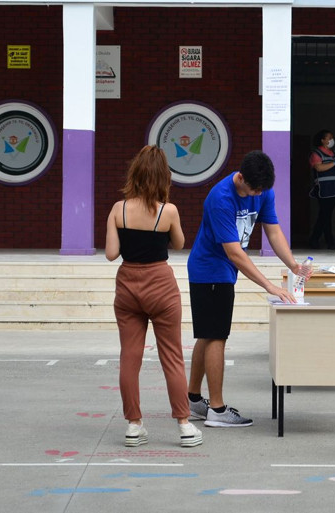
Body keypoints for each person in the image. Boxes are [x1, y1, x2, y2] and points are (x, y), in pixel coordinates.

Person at [186, 150, 306, 427]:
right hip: (210, 270)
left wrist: (293, 265)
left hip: (222, 271)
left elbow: (273, 231)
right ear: (240, 177)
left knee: (206, 335)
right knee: (216, 337)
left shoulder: (263, 191)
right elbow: (234, 253)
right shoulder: (221, 198)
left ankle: (192, 399)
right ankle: (216, 410)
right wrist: (269, 285)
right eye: (252, 190)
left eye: (260, 191)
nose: (256, 195)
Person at [105, 145, 203, 448]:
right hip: (160, 284)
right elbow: (179, 243)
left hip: (128, 285)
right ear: (164, 177)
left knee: (129, 358)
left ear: (134, 174)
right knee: (172, 357)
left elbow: (111, 254)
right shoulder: (168, 210)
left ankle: (134, 426)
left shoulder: (118, 209)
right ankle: (185, 426)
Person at [308, 129, 335, 249]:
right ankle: (327, 241)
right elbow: (319, 168)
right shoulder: (316, 154)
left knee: (325, 214)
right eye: (329, 138)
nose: (332, 140)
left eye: (332, 137)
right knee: (325, 214)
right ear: (323, 140)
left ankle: (316, 240)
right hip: (324, 189)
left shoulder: (334, 153)